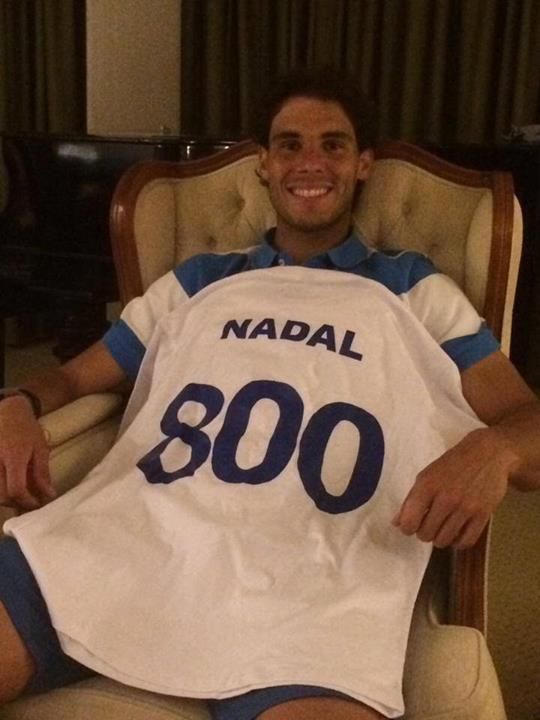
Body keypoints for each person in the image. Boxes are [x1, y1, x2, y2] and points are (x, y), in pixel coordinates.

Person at [0, 68, 539, 720]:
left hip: (317, 570)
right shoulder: (198, 281)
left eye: (333, 144)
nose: (310, 162)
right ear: (263, 163)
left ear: (363, 164)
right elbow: (72, 377)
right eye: (289, 144)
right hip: (135, 532)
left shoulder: (415, 289)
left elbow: (525, 418)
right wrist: (18, 404)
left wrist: (494, 449)